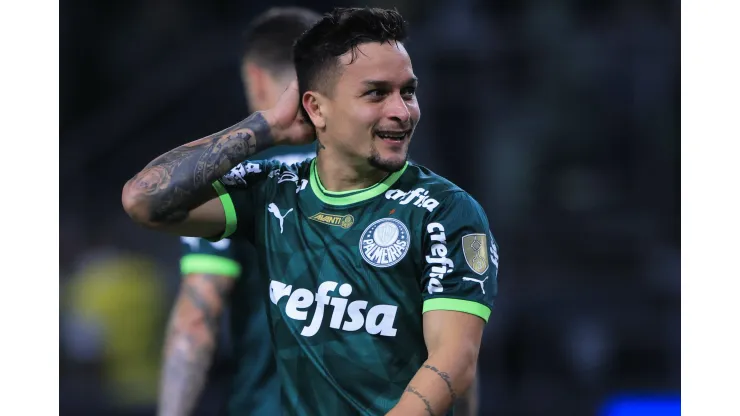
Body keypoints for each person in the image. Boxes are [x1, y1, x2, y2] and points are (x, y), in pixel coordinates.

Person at [123, 7, 498, 416]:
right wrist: (267, 127)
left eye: (408, 91)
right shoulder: (272, 191)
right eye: (376, 93)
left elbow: (454, 361)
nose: (402, 111)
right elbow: (144, 201)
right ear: (316, 109)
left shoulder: (446, 212)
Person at [157, 7, 321, 416]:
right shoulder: (396, 180)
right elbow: (450, 341)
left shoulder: (234, 180)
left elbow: (196, 321)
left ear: (255, 77)